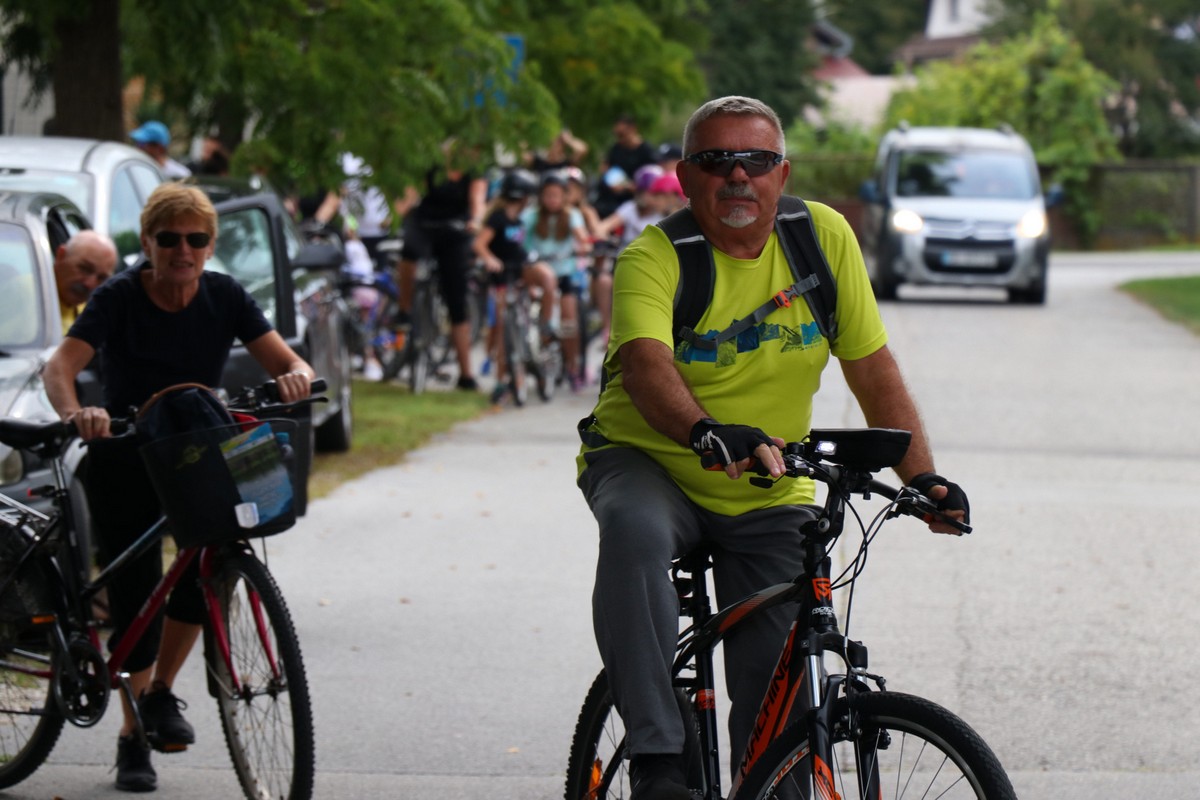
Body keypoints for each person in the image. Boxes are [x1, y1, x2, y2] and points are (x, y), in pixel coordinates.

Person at [575, 96, 970, 800]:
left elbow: (873, 369)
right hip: (648, 461)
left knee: (778, 683)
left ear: (781, 175)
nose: (736, 177)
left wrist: (925, 478)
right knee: (633, 534)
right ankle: (659, 757)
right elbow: (644, 366)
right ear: (685, 177)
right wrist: (703, 431)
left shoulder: (823, 240)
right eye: (715, 160)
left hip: (767, 479)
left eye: (755, 161)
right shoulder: (655, 257)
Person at [42, 182, 315, 793]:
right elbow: (60, 366)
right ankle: (133, 732)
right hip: (127, 452)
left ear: (210, 245)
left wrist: (297, 376)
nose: (183, 250)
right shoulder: (118, 298)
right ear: (148, 243)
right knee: (139, 594)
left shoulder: (224, 295)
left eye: (196, 239)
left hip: (197, 450)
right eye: (169, 239)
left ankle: (161, 692)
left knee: (206, 571)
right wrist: (75, 414)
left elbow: (285, 360)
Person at [397, 141, 489, 390]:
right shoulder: (431, 166)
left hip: (455, 231)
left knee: (456, 300)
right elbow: (412, 193)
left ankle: (466, 374)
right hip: (425, 225)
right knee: (408, 251)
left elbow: (477, 201)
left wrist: (476, 220)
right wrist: (398, 211)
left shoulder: (475, 172)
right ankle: (404, 310)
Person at [472, 168, 557, 404]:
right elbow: (480, 244)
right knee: (501, 328)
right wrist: (490, 259)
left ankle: (545, 325)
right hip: (502, 274)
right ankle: (502, 380)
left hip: (519, 268)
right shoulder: (497, 217)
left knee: (547, 278)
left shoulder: (518, 217)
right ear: (521, 196)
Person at [522, 171, 591, 390]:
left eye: (557, 195)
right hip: (538, 271)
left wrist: (585, 247)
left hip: (565, 272)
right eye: (548, 195)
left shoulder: (572, 216)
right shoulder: (531, 216)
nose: (552, 199)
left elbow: (582, 238)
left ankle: (572, 367)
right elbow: (520, 239)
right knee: (537, 307)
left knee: (569, 321)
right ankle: (542, 346)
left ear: (564, 197)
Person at [53, 230, 118, 334]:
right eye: (85, 269)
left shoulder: (93, 310)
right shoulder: (26, 294)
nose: (89, 284)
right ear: (61, 255)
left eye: (101, 278)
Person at [594, 114, 658, 219]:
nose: (619, 138)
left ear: (633, 129)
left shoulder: (646, 152)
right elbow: (606, 169)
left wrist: (627, 187)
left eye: (622, 134)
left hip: (633, 201)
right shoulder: (616, 149)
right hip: (611, 199)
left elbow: (652, 181)